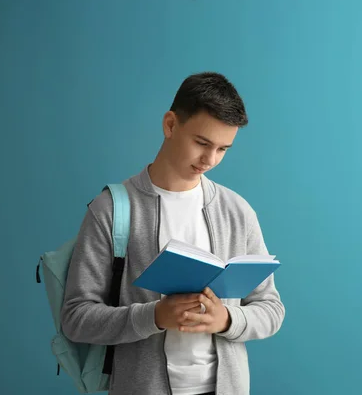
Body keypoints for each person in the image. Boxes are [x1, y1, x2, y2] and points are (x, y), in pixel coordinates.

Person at [61, 72, 285, 395]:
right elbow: (75, 317)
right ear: (170, 125)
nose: (210, 160)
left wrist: (226, 320)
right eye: (202, 143)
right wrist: (153, 316)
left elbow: (272, 309)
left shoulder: (238, 213)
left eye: (223, 149)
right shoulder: (110, 210)